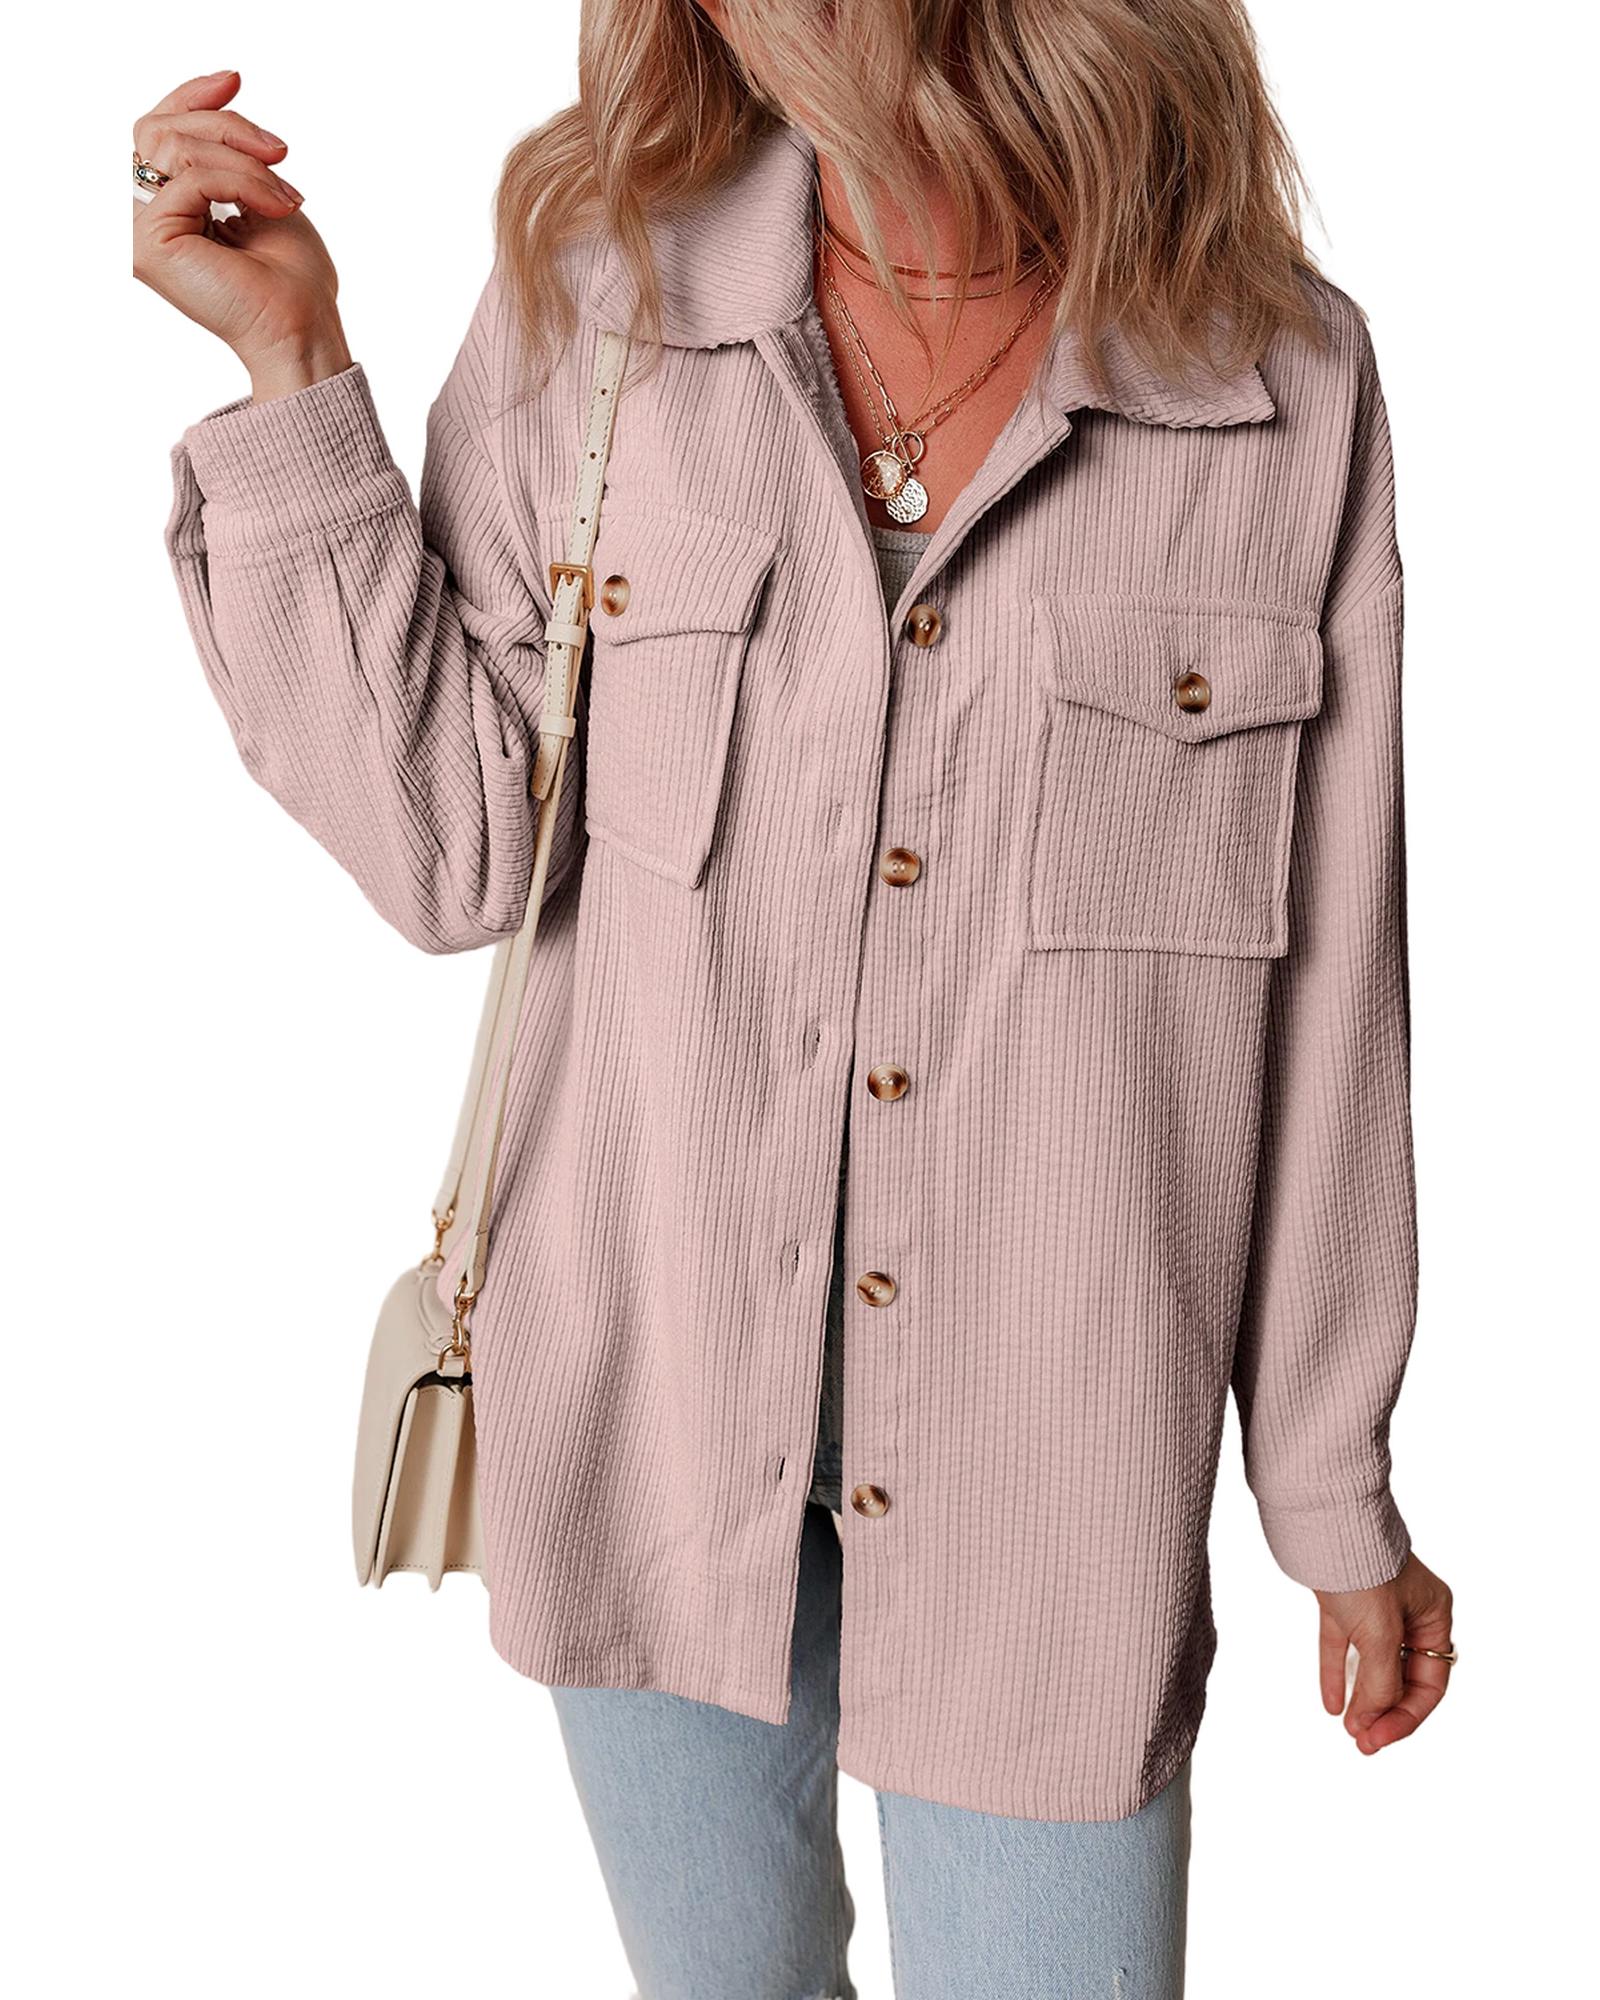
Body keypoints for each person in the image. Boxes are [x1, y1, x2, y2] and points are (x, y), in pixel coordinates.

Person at [134, 3, 1456, 1993]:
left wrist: (1327, 1483)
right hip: (651, 1407)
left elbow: (1335, 983)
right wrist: (292, 367)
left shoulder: (1277, 380)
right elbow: (451, 850)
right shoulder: (598, 300)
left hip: (1054, 1467)